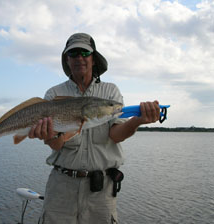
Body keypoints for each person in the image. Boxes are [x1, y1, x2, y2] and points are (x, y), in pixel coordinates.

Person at [28, 33, 160, 224]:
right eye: (73, 53)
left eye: (85, 52)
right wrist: (48, 135)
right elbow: (56, 145)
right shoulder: (54, 94)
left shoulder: (110, 93)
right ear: (67, 59)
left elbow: (115, 135)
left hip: (101, 191)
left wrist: (137, 120)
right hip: (61, 188)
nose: (79, 57)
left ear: (93, 57)